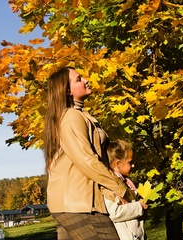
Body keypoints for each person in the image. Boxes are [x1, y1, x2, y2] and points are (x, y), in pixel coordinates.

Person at [43, 67, 127, 240]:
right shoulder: (71, 117)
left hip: (72, 203)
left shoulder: (80, 115)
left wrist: (110, 191)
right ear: (67, 90)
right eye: (79, 79)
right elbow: (86, 160)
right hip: (79, 204)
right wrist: (119, 187)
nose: (86, 80)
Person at [102, 139, 148, 240]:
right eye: (130, 162)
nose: (133, 165)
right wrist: (139, 206)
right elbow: (114, 213)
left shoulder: (125, 182)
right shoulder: (112, 185)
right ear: (118, 163)